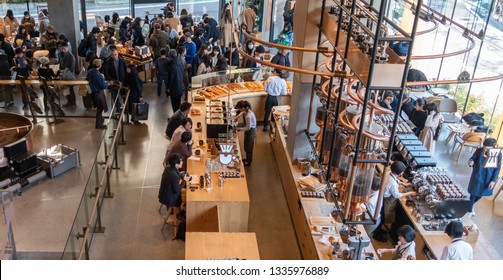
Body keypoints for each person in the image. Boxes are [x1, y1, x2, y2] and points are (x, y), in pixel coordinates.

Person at [373, 161, 416, 242]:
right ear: (400, 173)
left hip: (383, 196)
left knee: (382, 218)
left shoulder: (389, 173)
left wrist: (404, 184)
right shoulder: (392, 183)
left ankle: (379, 230)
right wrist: (409, 193)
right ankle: (377, 234)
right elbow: (396, 195)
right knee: (382, 218)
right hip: (386, 200)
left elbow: (396, 180)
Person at [467, 138, 502, 216]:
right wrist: (471, 161)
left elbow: (498, 168)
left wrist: (493, 180)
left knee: (481, 194)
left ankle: (470, 206)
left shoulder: (498, 154)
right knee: (473, 193)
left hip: (489, 177)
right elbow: (472, 159)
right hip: (478, 175)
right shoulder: (479, 150)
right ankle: (469, 210)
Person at [103, 47, 128, 116]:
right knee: (115, 96)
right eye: (113, 55)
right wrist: (109, 80)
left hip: (122, 82)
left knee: (123, 95)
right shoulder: (108, 62)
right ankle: (118, 108)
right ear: (111, 55)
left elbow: (126, 70)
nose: (114, 56)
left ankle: (125, 108)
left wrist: (126, 80)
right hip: (114, 83)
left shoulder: (122, 60)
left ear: (118, 54)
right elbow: (106, 72)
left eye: (116, 54)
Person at [87, 59, 109, 129]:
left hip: (92, 93)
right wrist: (107, 83)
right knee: (100, 109)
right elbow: (103, 86)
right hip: (98, 93)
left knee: (98, 107)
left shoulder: (90, 71)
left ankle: (101, 119)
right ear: (99, 66)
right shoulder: (98, 75)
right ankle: (98, 124)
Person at [235, 100, 257, 166]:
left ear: (243, 108)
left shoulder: (248, 116)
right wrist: (237, 117)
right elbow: (242, 113)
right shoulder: (247, 110)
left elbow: (248, 127)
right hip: (248, 131)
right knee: (246, 146)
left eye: (239, 108)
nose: (239, 109)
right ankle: (247, 159)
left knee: (249, 147)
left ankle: (248, 162)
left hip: (251, 131)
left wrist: (239, 129)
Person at [58, 42, 76, 109]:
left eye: (64, 48)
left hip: (69, 75)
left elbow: (71, 68)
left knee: (71, 90)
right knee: (66, 90)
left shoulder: (71, 57)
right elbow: (59, 64)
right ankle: (68, 102)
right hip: (63, 75)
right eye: (61, 48)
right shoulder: (61, 55)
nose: (63, 49)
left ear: (67, 47)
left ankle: (73, 103)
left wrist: (64, 71)